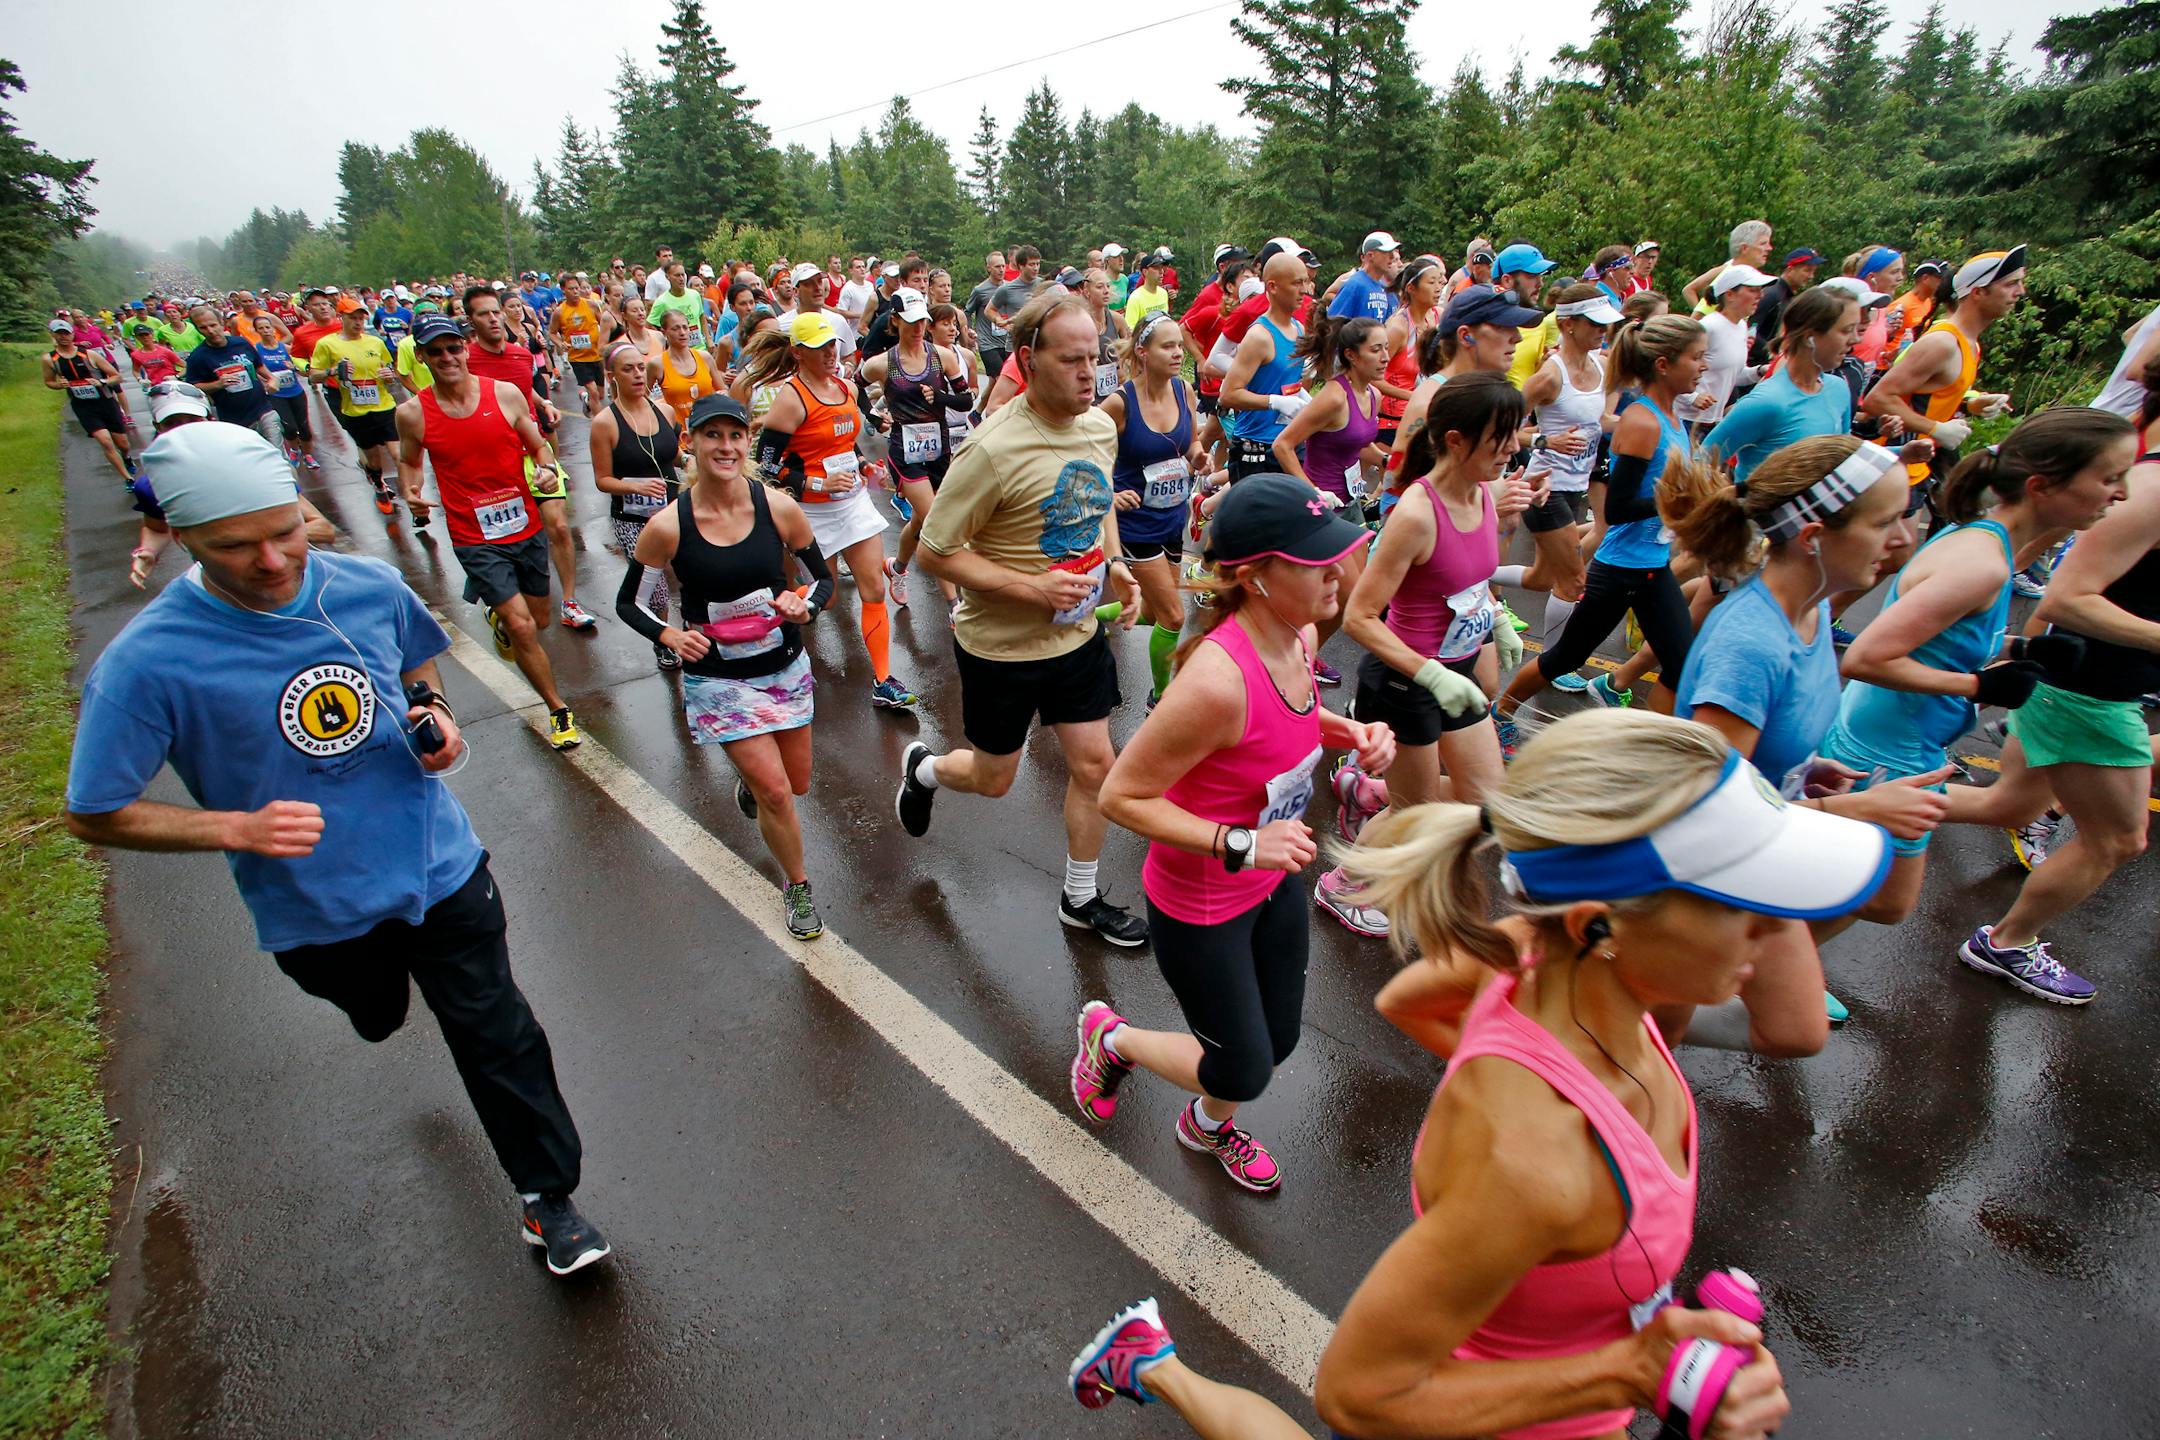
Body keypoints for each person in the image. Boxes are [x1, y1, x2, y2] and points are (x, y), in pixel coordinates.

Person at [1071, 709, 1873, 1440]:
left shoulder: (1573, 969)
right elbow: (1357, 1397)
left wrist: (1516, 1070)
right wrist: (1631, 1371)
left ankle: (1148, 1358)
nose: (1773, 930)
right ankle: (1151, 1362)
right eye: (1740, 902)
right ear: (1603, 927)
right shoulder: (1533, 1167)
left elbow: (1406, 997)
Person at [64, 422, 610, 1278]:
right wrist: (232, 830)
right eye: (235, 547)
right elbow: (94, 811)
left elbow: (415, 673)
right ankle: (375, 1005)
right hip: (316, 909)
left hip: (439, 866)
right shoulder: (147, 664)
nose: (276, 561)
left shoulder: (365, 586)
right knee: (380, 1011)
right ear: (182, 538)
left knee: (497, 1030)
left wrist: (434, 724)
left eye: (285, 531)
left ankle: (551, 1201)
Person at [1073, 475, 1390, 1192]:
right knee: (1241, 1065)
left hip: (1273, 875)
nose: (1338, 572)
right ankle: (1110, 1037)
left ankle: (1204, 1126)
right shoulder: (1216, 680)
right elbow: (1122, 796)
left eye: (1336, 553)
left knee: (1274, 1043)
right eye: (1314, 561)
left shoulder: (1301, 633)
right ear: (1255, 577)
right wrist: (1240, 844)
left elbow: (1290, 722)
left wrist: (1354, 733)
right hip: (1203, 902)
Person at [1817, 407, 2129, 961]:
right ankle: (1760, 968)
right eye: (2108, 479)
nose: (2122, 494)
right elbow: (1865, 656)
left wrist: (2021, 651)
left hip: (1890, 736)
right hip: (1889, 746)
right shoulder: (1980, 564)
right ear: (2042, 485)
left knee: (1867, 886)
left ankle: (1770, 966)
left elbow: (1939, 640)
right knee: (1885, 899)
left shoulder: (1987, 543)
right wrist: (1978, 688)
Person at [1664, 435, 1937, 1052]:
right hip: (1699, 878)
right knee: (1648, 1054)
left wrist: (1805, 770)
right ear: (1814, 537)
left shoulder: (1807, 615)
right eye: (1886, 522)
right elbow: (1700, 806)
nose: (1904, 540)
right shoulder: (1753, 643)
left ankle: (1625, 1019)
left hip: (1759, 853)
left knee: (1796, 1031)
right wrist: (1848, 811)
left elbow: (1755, 759)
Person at [894, 289, 1147, 945]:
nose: (1090, 374)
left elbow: (1095, 503)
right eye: (1072, 361)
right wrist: (1031, 590)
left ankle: (1080, 897)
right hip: (1001, 649)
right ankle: (924, 769)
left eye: (1096, 358)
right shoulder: (992, 450)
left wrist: (1116, 564)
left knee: (1096, 766)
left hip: (1077, 637)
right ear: (1029, 360)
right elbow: (935, 551)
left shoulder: (1098, 427)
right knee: (993, 779)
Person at [615, 393, 834, 939]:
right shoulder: (669, 525)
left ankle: (752, 787)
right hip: (719, 679)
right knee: (778, 794)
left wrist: (802, 602)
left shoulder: (778, 507)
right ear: (690, 444)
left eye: (735, 435)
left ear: (747, 443)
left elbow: (822, 578)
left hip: (783, 667)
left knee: (798, 783)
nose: (726, 446)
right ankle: (798, 886)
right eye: (712, 435)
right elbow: (629, 602)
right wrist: (667, 633)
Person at [1960, 392, 2154, 1001]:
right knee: (2119, 839)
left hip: (2084, 690)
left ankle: (1838, 802)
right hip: (2091, 694)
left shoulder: (2137, 480)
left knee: (2006, 807)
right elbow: (2065, 598)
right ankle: (2008, 941)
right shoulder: (2151, 487)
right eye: (2110, 482)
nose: (2115, 491)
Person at [1324, 375, 1523, 937]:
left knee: (1486, 804)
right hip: (1405, 682)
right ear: (1455, 441)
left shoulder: (1484, 493)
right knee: (1413, 814)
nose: (1512, 449)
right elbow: (1361, 616)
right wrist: (1428, 670)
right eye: (1500, 439)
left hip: (1454, 673)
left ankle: (1370, 791)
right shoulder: (1416, 514)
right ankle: (1343, 882)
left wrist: (1498, 619)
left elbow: (1468, 581)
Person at [1495, 316, 1710, 745]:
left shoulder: (1673, 417)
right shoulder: (1643, 422)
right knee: (1566, 656)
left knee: (1683, 662)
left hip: (1652, 567)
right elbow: (1619, 506)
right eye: (1697, 357)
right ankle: (1500, 711)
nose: (1704, 366)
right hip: (1622, 570)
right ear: (1665, 364)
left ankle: (1658, 746)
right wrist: (1682, 499)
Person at [393, 315, 584, 751]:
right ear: (421, 357)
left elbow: (537, 445)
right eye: (435, 351)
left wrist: (545, 469)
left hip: (524, 523)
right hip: (472, 534)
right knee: (522, 627)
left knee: (538, 620)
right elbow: (407, 461)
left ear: (465, 348)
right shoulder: (413, 413)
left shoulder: (504, 394)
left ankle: (499, 618)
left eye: (452, 348)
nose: (447, 358)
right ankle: (557, 709)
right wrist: (411, 490)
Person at [755, 312, 916, 710]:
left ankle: (882, 680)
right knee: (821, 601)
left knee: (874, 589)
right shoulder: (791, 400)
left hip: (853, 503)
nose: (830, 353)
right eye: (819, 348)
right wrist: (816, 484)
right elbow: (765, 466)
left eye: (832, 345)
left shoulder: (844, 387)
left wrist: (863, 466)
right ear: (798, 353)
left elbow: (846, 442)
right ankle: (772, 623)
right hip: (812, 513)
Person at [1510, 286, 1623, 683]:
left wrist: (1640, 427)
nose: (1602, 331)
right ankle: (1555, 665)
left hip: (1577, 484)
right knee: (1574, 580)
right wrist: (1545, 439)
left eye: (1606, 324)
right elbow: (1504, 430)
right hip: (1545, 485)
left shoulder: (1601, 365)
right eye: (1594, 324)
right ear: (1567, 324)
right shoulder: (1548, 376)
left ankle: (1478, 575)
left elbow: (1601, 421)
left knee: (1542, 577)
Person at [1102, 310, 1208, 706]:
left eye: (1180, 345)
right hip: (1135, 526)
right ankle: (1161, 697)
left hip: (1172, 518)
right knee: (1173, 616)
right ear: (1143, 352)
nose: (1178, 353)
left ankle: (1088, 621)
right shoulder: (1119, 404)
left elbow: (1193, 443)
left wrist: (1199, 458)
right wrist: (1108, 494)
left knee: (1149, 611)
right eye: (1168, 346)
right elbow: (1080, 456)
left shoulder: (1185, 391)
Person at [1862, 246, 2025, 502]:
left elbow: (1930, 393)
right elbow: (1877, 399)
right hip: (1891, 464)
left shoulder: (1970, 343)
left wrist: (1973, 404)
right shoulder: (1943, 342)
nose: (2020, 292)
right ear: (1978, 292)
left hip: (1918, 464)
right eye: (2011, 284)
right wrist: (1936, 429)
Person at [856, 286, 971, 609]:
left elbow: (966, 400)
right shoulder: (882, 363)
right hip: (904, 454)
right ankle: (954, 606)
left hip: (939, 452)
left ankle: (897, 567)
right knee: (935, 521)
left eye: (923, 321)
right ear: (895, 321)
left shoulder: (943, 356)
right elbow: (856, 386)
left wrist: (943, 398)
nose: (919, 328)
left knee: (920, 522)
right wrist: (873, 416)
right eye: (911, 321)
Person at [590, 341, 685, 673]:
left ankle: (697, 634)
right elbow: (602, 479)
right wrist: (632, 484)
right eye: (627, 369)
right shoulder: (606, 423)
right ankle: (664, 641)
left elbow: (674, 453)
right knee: (655, 589)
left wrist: (698, 463)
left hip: (673, 510)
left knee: (694, 573)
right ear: (612, 376)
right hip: (634, 518)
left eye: (640, 367)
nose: (636, 375)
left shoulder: (665, 410)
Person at [309, 298, 406, 518]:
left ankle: (411, 493)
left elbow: (389, 373)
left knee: (398, 453)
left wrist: (389, 376)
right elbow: (313, 375)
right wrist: (332, 371)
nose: (358, 322)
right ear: (340, 317)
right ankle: (379, 485)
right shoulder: (327, 344)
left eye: (361, 318)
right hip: (356, 410)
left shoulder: (375, 342)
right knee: (372, 458)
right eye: (353, 317)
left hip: (384, 406)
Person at [1219, 251, 1310, 481]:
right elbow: (1228, 394)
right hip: (1255, 448)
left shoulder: (1298, 329)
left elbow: (1287, 384)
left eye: (1305, 281)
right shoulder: (1259, 336)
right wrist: (1275, 402)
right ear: (1273, 286)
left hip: (1288, 442)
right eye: (1296, 283)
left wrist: (1306, 400)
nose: (1304, 290)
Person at [1677, 265, 1774, 437]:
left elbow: (1733, 374)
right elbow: (1671, 368)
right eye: (1753, 290)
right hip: (1685, 419)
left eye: (1760, 290)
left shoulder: (1742, 326)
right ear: (1729, 295)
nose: (1761, 296)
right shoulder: (1708, 326)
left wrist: (1759, 371)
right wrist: (1692, 397)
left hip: (1712, 422)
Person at [182, 303, 285, 451]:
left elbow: (259, 365)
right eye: (203, 328)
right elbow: (194, 387)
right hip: (235, 419)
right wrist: (218, 384)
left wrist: (272, 379)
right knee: (254, 458)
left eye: (213, 325)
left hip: (263, 409)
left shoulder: (241, 343)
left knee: (278, 454)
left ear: (222, 323)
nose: (210, 331)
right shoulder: (198, 357)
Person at [44, 317, 135, 481]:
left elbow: (116, 377)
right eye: (59, 334)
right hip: (83, 406)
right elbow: (49, 382)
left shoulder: (89, 354)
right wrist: (60, 385)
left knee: (123, 444)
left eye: (66, 333)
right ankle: (128, 479)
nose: (63, 337)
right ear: (53, 335)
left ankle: (127, 459)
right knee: (106, 442)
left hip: (105, 402)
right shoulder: (49, 359)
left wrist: (101, 381)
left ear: (72, 335)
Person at [1743, 248, 1823, 366]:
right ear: (1790, 269)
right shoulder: (1771, 294)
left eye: (1813, 272)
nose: (1811, 276)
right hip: (1754, 368)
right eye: (1807, 270)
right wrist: (1772, 353)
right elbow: (1750, 328)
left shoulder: (1788, 298)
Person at [1679, 219, 1777, 310]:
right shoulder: (1726, 277)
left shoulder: (1738, 271)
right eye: (1763, 243)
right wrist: (1704, 321)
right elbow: (1691, 295)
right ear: (1744, 248)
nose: (1769, 248)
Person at [550, 273, 608, 417]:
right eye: (571, 289)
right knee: (593, 391)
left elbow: (604, 325)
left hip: (596, 355)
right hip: (578, 358)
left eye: (577, 288)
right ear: (563, 290)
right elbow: (551, 333)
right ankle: (599, 426)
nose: (575, 292)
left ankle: (586, 399)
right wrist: (560, 342)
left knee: (600, 394)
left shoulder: (591, 305)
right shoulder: (559, 311)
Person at [652, 306, 719, 427]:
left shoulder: (705, 358)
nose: (682, 333)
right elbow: (644, 398)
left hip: (709, 431)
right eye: (675, 329)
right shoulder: (657, 364)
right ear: (664, 332)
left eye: (685, 327)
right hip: (678, 437)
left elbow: (722, 389)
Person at [965, 250, 1011, 384]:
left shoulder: (1010, 287)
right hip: (988, 343)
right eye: (997, 267)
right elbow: (967, 312)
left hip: (1007, 341)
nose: (1001, 270)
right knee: (1002, 380)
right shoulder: (980, 290)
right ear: (989, 268)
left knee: (994, 383)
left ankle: (982, 406)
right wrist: (969, 330)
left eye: (1003, 266)